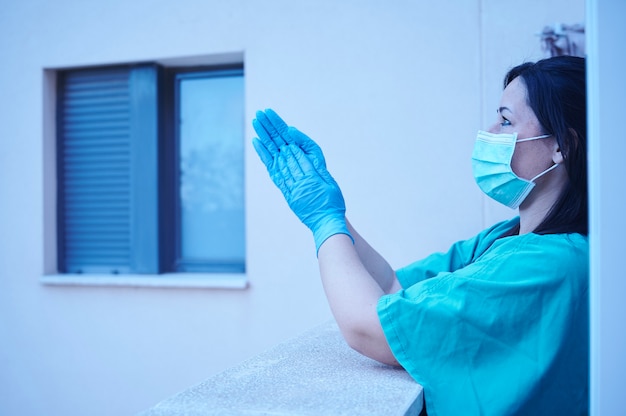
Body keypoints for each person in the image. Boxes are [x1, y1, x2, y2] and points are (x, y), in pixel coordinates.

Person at [251, 55, 588, 416]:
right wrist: (329, 206)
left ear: (562, 146)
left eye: (506, 121)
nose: (490, 131)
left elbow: (370, 329)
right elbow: (392, 285)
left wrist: (323, 219)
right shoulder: (505, 238)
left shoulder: (550, 263)